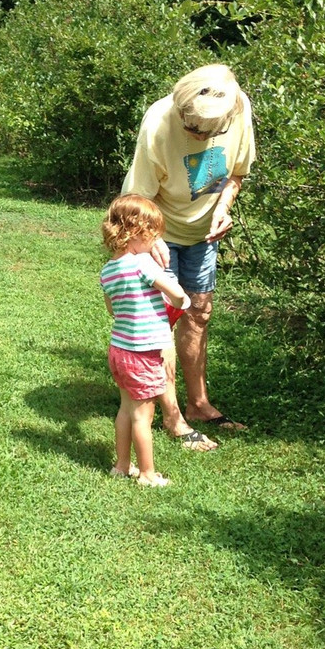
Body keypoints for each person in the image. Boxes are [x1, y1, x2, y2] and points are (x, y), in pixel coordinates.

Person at [122, 64, 256, 451]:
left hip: (203, 235)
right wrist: (151, 240)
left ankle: (198, 404)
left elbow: (236, 175)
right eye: (191, 128)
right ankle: (173, 417)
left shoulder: (238, 108)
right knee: (160, 324)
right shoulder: (159, 123)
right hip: (156, 232)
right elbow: (136, 202)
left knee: (199, 313)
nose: (196, 135)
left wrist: (224, 207)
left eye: (204, 132)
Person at [100, 194, 191, 488]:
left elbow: (112, 309)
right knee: (143, 415)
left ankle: (122, 465)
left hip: (120, 351)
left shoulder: (108, 270)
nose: (155, 243)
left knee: (126, 408)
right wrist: (182, 298)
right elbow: (175, 293)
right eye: (153, 236)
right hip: (143, 354)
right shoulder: (142, 263)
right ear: (136, 233)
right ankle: (148, 474)